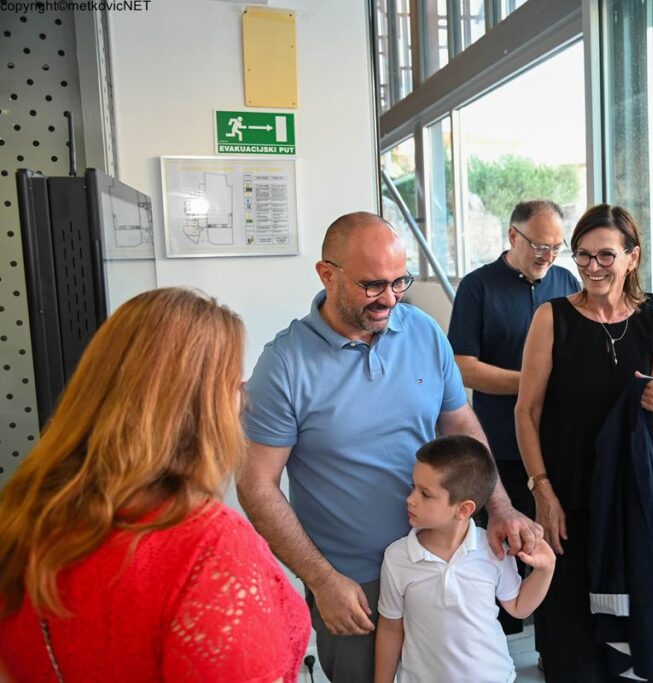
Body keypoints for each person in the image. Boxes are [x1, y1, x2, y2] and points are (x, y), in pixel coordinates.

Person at [237, 212, 541, 683]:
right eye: (373, 285)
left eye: (400, 281)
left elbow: (460, 424)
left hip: (444, 556)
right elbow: (256, 485)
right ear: (327, 274)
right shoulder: (284, 365)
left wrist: (498, 506)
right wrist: (321, 579)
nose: (390, 298)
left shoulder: (423, 331)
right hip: (354, 583)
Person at [0, 287, 310, 682]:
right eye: (234, 386)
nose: (243, 401)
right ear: (198, 408)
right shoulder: (209, 547)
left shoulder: (25, 514)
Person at [516, 204, 653, 680]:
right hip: (566, 505)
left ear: (632, 257)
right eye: (582, 255)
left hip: (629, 507)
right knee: (572, 647)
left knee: (632, 641)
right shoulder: (552, 318)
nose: (592, 267)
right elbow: (526, 412)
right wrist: (542, 492)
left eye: (605, 255)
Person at [447, 198, 579, 635]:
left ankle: (554, 650)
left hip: (555, 445)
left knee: (553, 552)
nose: (548, 256)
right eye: (540, 245)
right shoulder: (478, 287)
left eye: (556, 247)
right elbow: (463, 367)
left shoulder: (566, 281)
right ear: (512, 236)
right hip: (499, 447)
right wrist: (532, 382)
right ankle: (496, 650)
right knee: (502, 556)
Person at [374, 435, 555, 683]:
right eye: (413, 487)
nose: (411, 499)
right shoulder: (398, 557)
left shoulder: (493, 550)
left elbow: (518, 607)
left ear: (463, 509)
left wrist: (546, 569)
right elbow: (390, 628)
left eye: (425, 494)